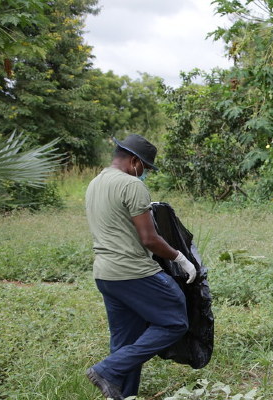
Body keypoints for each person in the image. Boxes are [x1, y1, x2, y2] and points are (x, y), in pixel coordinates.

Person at [84, 134, 197, 400]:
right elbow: (149, 238)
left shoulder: (95, 182)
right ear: (135, 161)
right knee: (175, 321)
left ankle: (121, 395)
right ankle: (107, 370)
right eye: (145, 168)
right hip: (132, 272)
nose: (144, 173)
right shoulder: (131, 185)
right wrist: (180, 258)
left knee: (126, 342)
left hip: (105, 274)